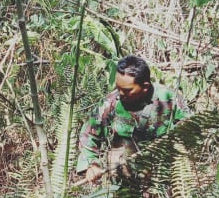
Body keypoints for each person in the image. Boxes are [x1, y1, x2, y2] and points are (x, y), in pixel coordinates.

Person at [76, 55, 190, 183]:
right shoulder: (111, 102)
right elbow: (88, 135)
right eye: (118, 88)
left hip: (162, 175)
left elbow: (190, 130)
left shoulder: (169, 98)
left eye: (127, 90)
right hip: (122, 178)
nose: (121, 94)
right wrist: (92, 165)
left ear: (145, 87)